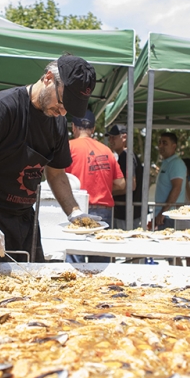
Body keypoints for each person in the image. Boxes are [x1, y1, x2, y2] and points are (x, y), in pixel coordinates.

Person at [0, 54, 97, 263]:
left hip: (24, 218)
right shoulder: (4, 106)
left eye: (69, 109)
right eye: (62, 102)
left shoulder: (57, 123)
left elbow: (57, 173)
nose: (62, 111)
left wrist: (74, 212)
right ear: (48, 78)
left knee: (30, 290)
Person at [64, 110, 124, 263]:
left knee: (74, 259)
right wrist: (101, 186)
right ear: (93, 129)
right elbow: (121, 183)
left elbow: (58, 180)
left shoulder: (68, 147)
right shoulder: (106, 150)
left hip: (76, 208)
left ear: (73, 127)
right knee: (100, 261)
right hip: (103, 210)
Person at [106, 124, 143, 230]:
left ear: (124, 137)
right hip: (126, 213)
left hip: (125, 214)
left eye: (114, 137)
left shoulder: (127, 156)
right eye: (109, 137)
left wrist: (107, 193)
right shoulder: (125, 156)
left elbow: (131, 185)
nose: (110, 140)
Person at [153, 132, 187, 230]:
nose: (160, 146)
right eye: (159, 143)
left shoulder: (176, 163)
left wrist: (163, 212)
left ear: (174, 146)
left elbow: (177, 188)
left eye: (165, 143)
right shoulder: (166, 163)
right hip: (164, 216)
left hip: (169, 217)